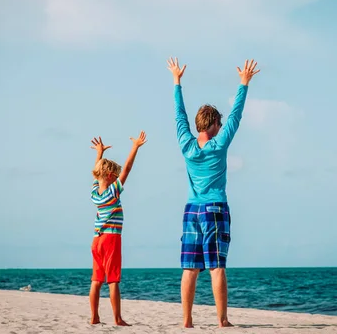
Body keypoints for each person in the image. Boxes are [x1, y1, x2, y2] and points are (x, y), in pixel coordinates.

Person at [167, 57, 260, 328]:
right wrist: (244, 83)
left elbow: (178, 115)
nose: (221, 127)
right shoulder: (218, 145)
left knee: (190, 269)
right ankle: (222, 320)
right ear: (214, 124)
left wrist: (176, 81)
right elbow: (236, 116)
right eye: (218, 124)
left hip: (191, 210)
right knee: (217, 267)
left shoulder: (186, 144)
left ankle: (186, 320)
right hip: (215, 209)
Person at [88, 132, 147, 325]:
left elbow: (96, 175)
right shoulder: (113, 192)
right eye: (116, 175)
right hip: (111, 239)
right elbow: (127, 169)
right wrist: (135, 147)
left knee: (96, 280)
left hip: (96, 240)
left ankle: (94, 317)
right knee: (113, 280)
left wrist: (99, 153)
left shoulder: (96, 193)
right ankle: (117, 318)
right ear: (112, 176)